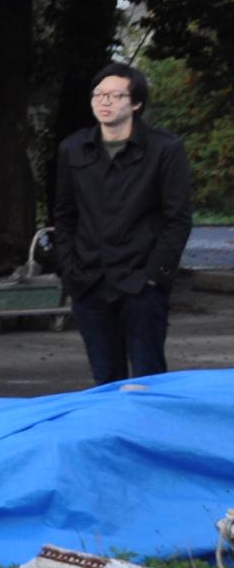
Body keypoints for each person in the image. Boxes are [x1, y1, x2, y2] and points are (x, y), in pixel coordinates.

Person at [54, 61, 192, 383]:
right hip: (89, 281)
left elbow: (178, 218)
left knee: (149, 381)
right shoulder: (73, 149)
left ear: (136, 103)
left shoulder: (165, 149)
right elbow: (63, 215)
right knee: (105, 381)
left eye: (115, 96)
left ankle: (150, 434)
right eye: (98, 95)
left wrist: (155, 276)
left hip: (141, 284)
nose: (104, 102)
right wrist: (70, 270)